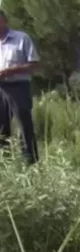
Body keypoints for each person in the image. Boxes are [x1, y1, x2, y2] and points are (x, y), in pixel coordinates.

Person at [0, 10, 39, 164]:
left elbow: (34, 64)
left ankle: (30, 161)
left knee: (24, 125)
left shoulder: (21, 38)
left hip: (18, 87)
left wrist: (10, 71)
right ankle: (5, 162)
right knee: (1, 127)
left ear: (4, 21)